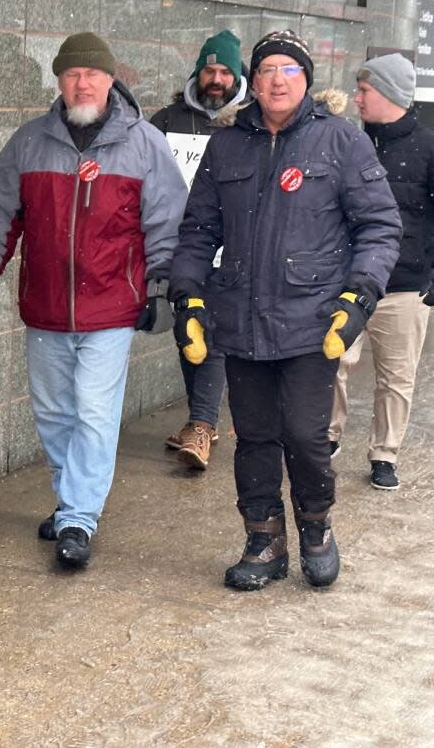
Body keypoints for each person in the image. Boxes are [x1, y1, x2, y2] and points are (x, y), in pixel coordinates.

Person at [170, 30, 401, 592]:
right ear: (255, 80)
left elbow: (380, 227)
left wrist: (359, 295)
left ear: (307, 81)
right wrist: (187, 294)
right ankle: (264, 539)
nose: (278, 78)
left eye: (290, 70)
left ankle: (316, 529)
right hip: (241, 319)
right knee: (254, 437)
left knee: (304, 435)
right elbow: (198, 229)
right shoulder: (227, 145)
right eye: (268, 68)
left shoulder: (342, 142)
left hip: (312, 322)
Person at [0, 32, 188, 570]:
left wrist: (162, 285)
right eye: (71, 75)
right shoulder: (29, 142)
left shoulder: (145, 144)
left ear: (112, 80)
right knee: (54, 413)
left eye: (92, 74)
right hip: (46, 306)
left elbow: (165, 221)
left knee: (92, 410)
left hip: (111, 306)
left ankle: (78, 518)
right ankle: (73, 500)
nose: (82, 83)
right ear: (59, 82)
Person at [329, 54, 434, 489]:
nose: (356, 98)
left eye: (364, 91)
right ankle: (326, 436)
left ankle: (385, 454)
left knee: (396, 378)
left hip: (405, 287)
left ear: (390, 95)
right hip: (349, 279)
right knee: (331, 360)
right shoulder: (348, 142)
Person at [150, 30, 251, 469]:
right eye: (209, 69)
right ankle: (202, 423)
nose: (216, 79)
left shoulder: (251, 122)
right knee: (187, 330)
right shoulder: (166, 120)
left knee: (211, 332)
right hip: (180, 247)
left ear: (238, 75)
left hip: (230, 249)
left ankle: (202, 423)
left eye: (225, 71)